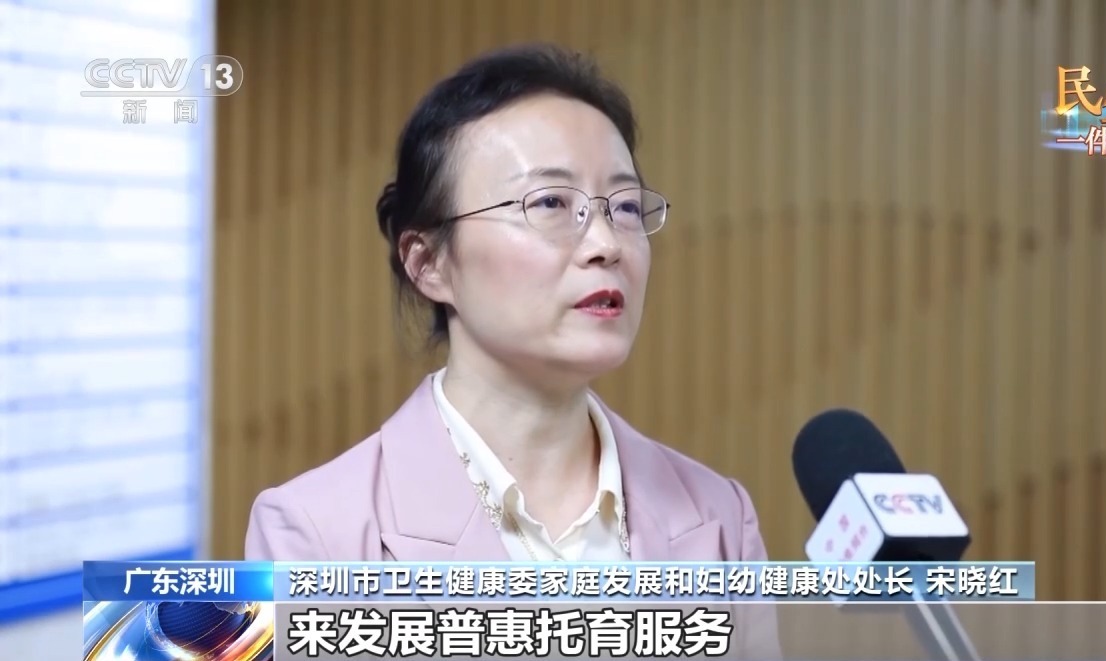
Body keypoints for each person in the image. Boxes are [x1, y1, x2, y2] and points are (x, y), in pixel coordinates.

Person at [244, 43, 781, 658]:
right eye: (550, 203)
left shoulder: (720, 517)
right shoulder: (313, 534)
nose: (606, 243)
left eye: (626, 206)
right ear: (428, 263)